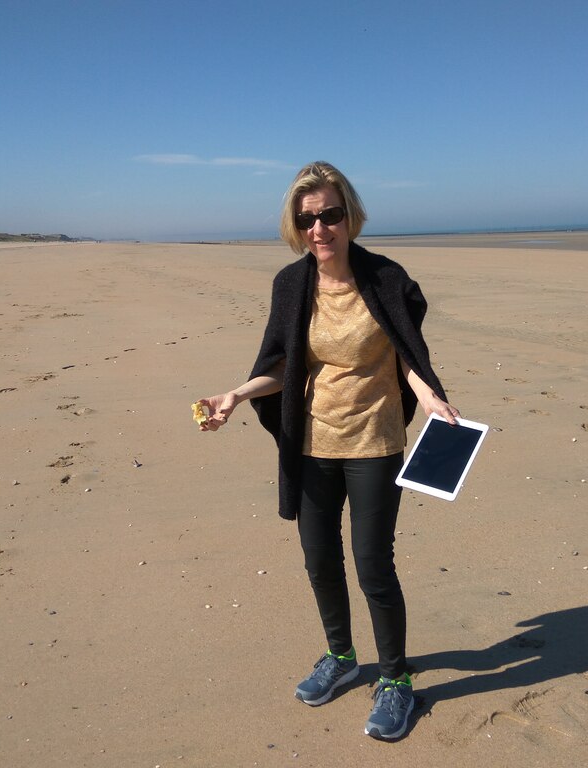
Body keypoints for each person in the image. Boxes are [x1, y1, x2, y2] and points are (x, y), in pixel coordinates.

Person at [196, 161, 459, 740]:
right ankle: (341, 657)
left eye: (330, 215)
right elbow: (283, 366)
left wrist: (430, 399)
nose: (319, 228)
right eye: (307, 219)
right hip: (310, 444)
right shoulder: (291, 285)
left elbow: (408, 356)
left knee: (373, 566)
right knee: (319, 560)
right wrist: (236, 394)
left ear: (350, 216)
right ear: (296, 226)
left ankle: (395, 680)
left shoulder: (386, 280)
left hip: (374, 442)